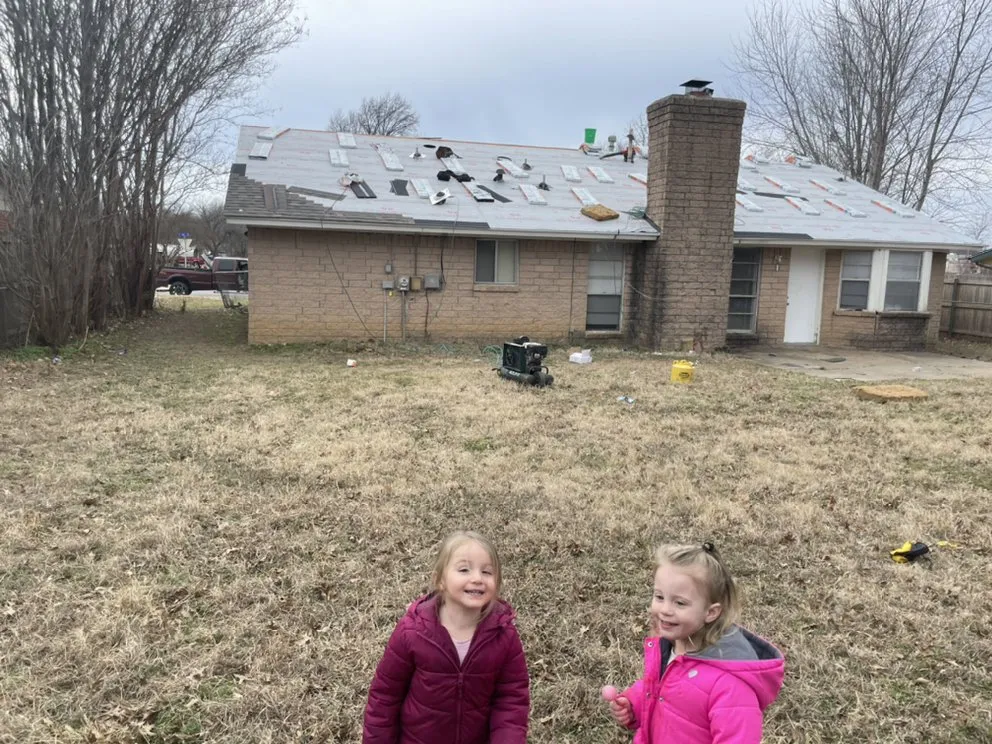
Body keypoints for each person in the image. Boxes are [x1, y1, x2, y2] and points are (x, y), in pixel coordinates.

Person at [606, 543, 784, 743]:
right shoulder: (670, 645)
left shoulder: (730, 684)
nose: (665, 609)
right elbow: (659, 690)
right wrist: (633, 705)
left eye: (679, 602)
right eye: (659, 596)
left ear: (710, 612)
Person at [363, 531, 529, 744]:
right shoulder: (412, 632)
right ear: (439, 580)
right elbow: (385, 696)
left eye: (487, 572)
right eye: (464, 569)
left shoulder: (504, 636)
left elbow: (511, 699)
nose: (477, 578)